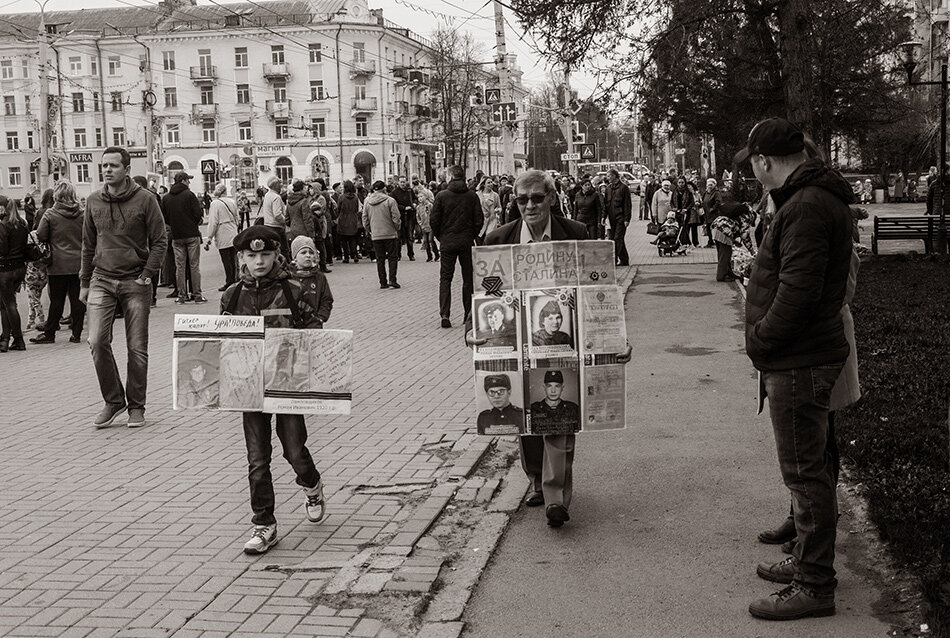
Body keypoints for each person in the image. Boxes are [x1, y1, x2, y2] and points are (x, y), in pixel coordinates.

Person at [468, 170, 632, 529]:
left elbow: (596, 293)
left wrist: (615, 338)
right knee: (527, 425)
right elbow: (485, 297)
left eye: (537, 198)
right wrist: (473, 331)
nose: (529, 206)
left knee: (558, 419)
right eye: (522, 199)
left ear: (552, 199)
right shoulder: (499, 239)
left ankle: (555, 497)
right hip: (515, 349)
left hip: (562, 346)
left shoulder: (575, 234)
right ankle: (536, 480)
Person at [737, 118, 854, 620]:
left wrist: (762, 342)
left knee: (806, 475)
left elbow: (799, 293)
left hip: (798, 357)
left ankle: (814, 584)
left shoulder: (805, 205)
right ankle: (809, 563)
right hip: (801, 354)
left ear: (764, 161)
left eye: (753, 164)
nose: (753, 171)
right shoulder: (808, 199)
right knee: (809, 470)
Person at [220, 226, 330, 555]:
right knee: (257, 459)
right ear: (241, 257)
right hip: (250, 388)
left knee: (294, 450)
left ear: (276, 255)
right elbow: (222, 342)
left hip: (287, 386)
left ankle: (311, 484)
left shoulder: (294, 289)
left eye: (265, 254)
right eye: (251, 256)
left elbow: (314, 332)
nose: (259, 261)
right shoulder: (232, 295)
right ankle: (264, 523)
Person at [80, 147, 168, 429]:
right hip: (101, 279)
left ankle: (137, 407)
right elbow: (88, 244)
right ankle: (114, 400)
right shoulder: (93, 200)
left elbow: (160, 241)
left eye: (113, 166)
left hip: (135, 280)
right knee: (96, 341)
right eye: (104, 166)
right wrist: (84, 282)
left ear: (127, 169)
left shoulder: (146, 200)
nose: (107, 170)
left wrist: (147, 275)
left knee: (137, 347)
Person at [30, 182, 85, 344]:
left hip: (57, 264)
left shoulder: (50, 214)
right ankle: (76, 333)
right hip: (79, 263)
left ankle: (50, 333)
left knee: (57, 300)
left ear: (57, 196)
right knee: (77, 299)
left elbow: (40, 235)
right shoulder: (83, 214)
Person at [430, 165, 483, 329]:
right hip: (466, 242)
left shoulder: (441, 196)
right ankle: (468, 313)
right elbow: (479, 219)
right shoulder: (471, 196)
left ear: (451, 176)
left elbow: (434, 220)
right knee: (468, 279)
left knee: (445, 278)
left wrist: (441, 236)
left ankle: (445, 314)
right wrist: (472, 235)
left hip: (447, 242)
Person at [162, 172, 207, 304]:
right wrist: (193, 222)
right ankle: (197, 295)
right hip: (191, 234)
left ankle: (181, 295)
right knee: (194, 266)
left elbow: (164, 217)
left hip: (176, 236)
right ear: (183, 180)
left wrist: (174, 225)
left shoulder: (167, 198)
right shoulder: (189, 195)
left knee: (180, 267)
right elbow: (198, 213)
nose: (189, 183)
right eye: (188, 180)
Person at [0, 195, 29, 352]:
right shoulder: (22, 224)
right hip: (19, 268)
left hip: (5, 269)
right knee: (5, 304)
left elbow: (2, 250)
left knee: (9, 304)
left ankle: (18, 339)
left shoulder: (3, 225)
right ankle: (4, 339)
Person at [361, 180, 402, 289]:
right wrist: (396, 227)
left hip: (376, 234)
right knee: (393, 257)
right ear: (384, 188)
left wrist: (370, 230)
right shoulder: (390, 201)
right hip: (390, 233)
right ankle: (393, 279)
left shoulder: (367, 201)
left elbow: (364, 219)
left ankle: (382, 282)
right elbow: (396, 217)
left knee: (380, 259)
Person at [24, 188, 53, 331]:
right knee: (35, 295)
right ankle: (30, 319)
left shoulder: (33, 235)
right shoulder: (47, 243)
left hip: (33, 270)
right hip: (44, 269)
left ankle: (40, 319)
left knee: (33, 296)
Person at [204, 184, 240, 291]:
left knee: (226, 260)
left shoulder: (215, 204)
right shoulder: (232, 201)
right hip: (233, 231)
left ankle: (229, 282)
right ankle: (235, 279)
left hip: (222, 233)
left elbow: (213, 222)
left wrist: (209, 237)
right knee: (233, 259)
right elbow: (237, 217)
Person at [529, 370, 580, 438]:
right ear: (544, 387)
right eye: (549, 386)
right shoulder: (534, 409)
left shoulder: (573, 409)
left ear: (562, 388)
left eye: (557, 386)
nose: (553, 391)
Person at [603, 169, 631, 266]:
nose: (607, 178)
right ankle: (624, 259)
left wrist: (627, 219)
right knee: (618, 239)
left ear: (615, 176)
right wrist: (604, 217)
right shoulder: (608, 189)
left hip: (621, 217)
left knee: (617, 238)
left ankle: (614, 259)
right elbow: (606, 204)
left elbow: (627, 205)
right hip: (612, 218)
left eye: (609, 176)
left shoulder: (623, 188)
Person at [260, 176, 290, 257]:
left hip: (268, 225)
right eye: (280, 184)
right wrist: (286, 222)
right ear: (275, 185)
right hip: (277, 227)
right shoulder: (276, 197)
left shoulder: (267, 195)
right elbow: (277, 214)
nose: (281, 186)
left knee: (273, 249)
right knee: (284, 249)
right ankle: (285, 266)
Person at [390, 175, 417, 260]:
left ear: (406, 182)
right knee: (399, 237)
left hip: (409, 216)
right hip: (400, 216)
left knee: (410, 236)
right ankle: (398, 254)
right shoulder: (394, 192)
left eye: (404, 182)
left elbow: (414, 199)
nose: (402, 183)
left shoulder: (409, 190)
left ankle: (411, 254)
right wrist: (404, 208)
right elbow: (394, 205)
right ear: (398, 182)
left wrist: (415, 203)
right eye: (401, 182)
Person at [336, 181, 361, 263]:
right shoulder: (355, 197)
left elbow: (338, 209)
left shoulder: (341, 197)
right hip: (353, 218)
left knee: (344, 239)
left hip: (343, 218)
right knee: (352, 238)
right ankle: (354, 255)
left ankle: (346, 257)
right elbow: (357, 208)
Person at [670, 176, 698, 247]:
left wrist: (686, 209)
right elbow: (671, 201)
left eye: (682, 182)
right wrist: (673, 208)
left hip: (685, 212)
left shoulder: (688, 192)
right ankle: (683, 242)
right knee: (679, 227)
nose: (681, 184)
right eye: (679, 182)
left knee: (684, 227)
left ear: (685, 182)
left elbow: (692, 202)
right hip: (677, 212)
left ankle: (685, 243)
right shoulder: (675, 191)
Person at [415, 181, 439, 262]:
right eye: (419, 197)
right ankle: (429, 256)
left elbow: (434, 215)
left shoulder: (430, 205)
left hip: (430, 226)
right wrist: (420, 224)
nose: (420, 198)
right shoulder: (418, 207)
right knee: (425, 241)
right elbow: (417, 217)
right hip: (424, 226)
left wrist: (433, 223)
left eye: (421, 197)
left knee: (430, 240)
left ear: (425, 197)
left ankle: (436, 254)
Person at [477, 177, 502, 243]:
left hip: (492, 220)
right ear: (483, 184)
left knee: (490, 240)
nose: (491, 184)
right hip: (481, 221)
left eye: (491, 182)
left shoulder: (495, 195)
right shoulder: (477, 195)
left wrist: (498, 210)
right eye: (488, 183)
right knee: (480, 241)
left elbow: (499, 207)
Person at [701, 178, 722, 248]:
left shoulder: (716, 193)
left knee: (714, 227)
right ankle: (710, 241)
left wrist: (713, 208)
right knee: (708, 228)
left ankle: (717, 241)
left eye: (711, 185)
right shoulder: (706, 192)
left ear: (714, 185)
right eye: (708, 185)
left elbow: (718, 202)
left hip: (714, 213)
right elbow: (703, 200)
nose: (709, 186)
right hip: (706, 213)